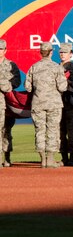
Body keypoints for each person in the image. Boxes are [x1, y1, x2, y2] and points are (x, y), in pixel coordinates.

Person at [25, 42, 68, 168]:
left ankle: (43, 160)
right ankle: (50, 159)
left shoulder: (33, 67)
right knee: (53, 131)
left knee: (40, 131)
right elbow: (63, 87)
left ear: (40, 52)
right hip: (53, 104)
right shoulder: (57, 67)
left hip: (38, 104)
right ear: (51, 52)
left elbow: (27, 87)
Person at [59, 43, 73, 167]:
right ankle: (63, 157)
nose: (62, 54)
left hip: (72, 104)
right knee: (60, 133)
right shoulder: (54, 67)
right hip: (58, 104)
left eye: (65, 52)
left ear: (71, 54)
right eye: (61, 52)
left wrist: (67, 80)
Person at [0, 39, 21, 167]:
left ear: (5, 50)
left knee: (6, 130)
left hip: (7, 102)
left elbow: (17, 81)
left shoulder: (11, 65)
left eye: (1, 49)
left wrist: (7, 86)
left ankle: (7, 157)